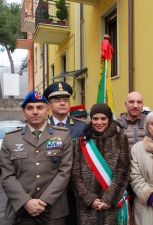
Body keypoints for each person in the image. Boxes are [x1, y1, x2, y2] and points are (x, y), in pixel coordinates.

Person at [0, 91, 73, 225]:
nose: (35, 112)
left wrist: (44, 201)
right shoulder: (10, 139)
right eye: (30, 108)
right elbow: (7, 176)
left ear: (48, 110)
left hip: (53, 210)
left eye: (39, 107)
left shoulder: (63, 135)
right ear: (23, 112)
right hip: (20, 211)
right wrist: (26, 202)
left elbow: (65, 172)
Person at [71, 103, 130, 225]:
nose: (99, 122)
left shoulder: (121, 139)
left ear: (109, 119)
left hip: (112, 205)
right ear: (90, 119)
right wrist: (89, 199)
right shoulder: (82, 141)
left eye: (103, 118)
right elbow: (75, 174)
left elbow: (123, 172)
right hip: (88, 208)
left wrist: (109, 199)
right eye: (95, 118)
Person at [43, 81, 86, 224]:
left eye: (65, 100)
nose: (62, 103)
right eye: (57, 100)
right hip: (50, 187)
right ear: (49, 105)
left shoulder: (82, 127)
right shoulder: (42, 128)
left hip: (76, 188)